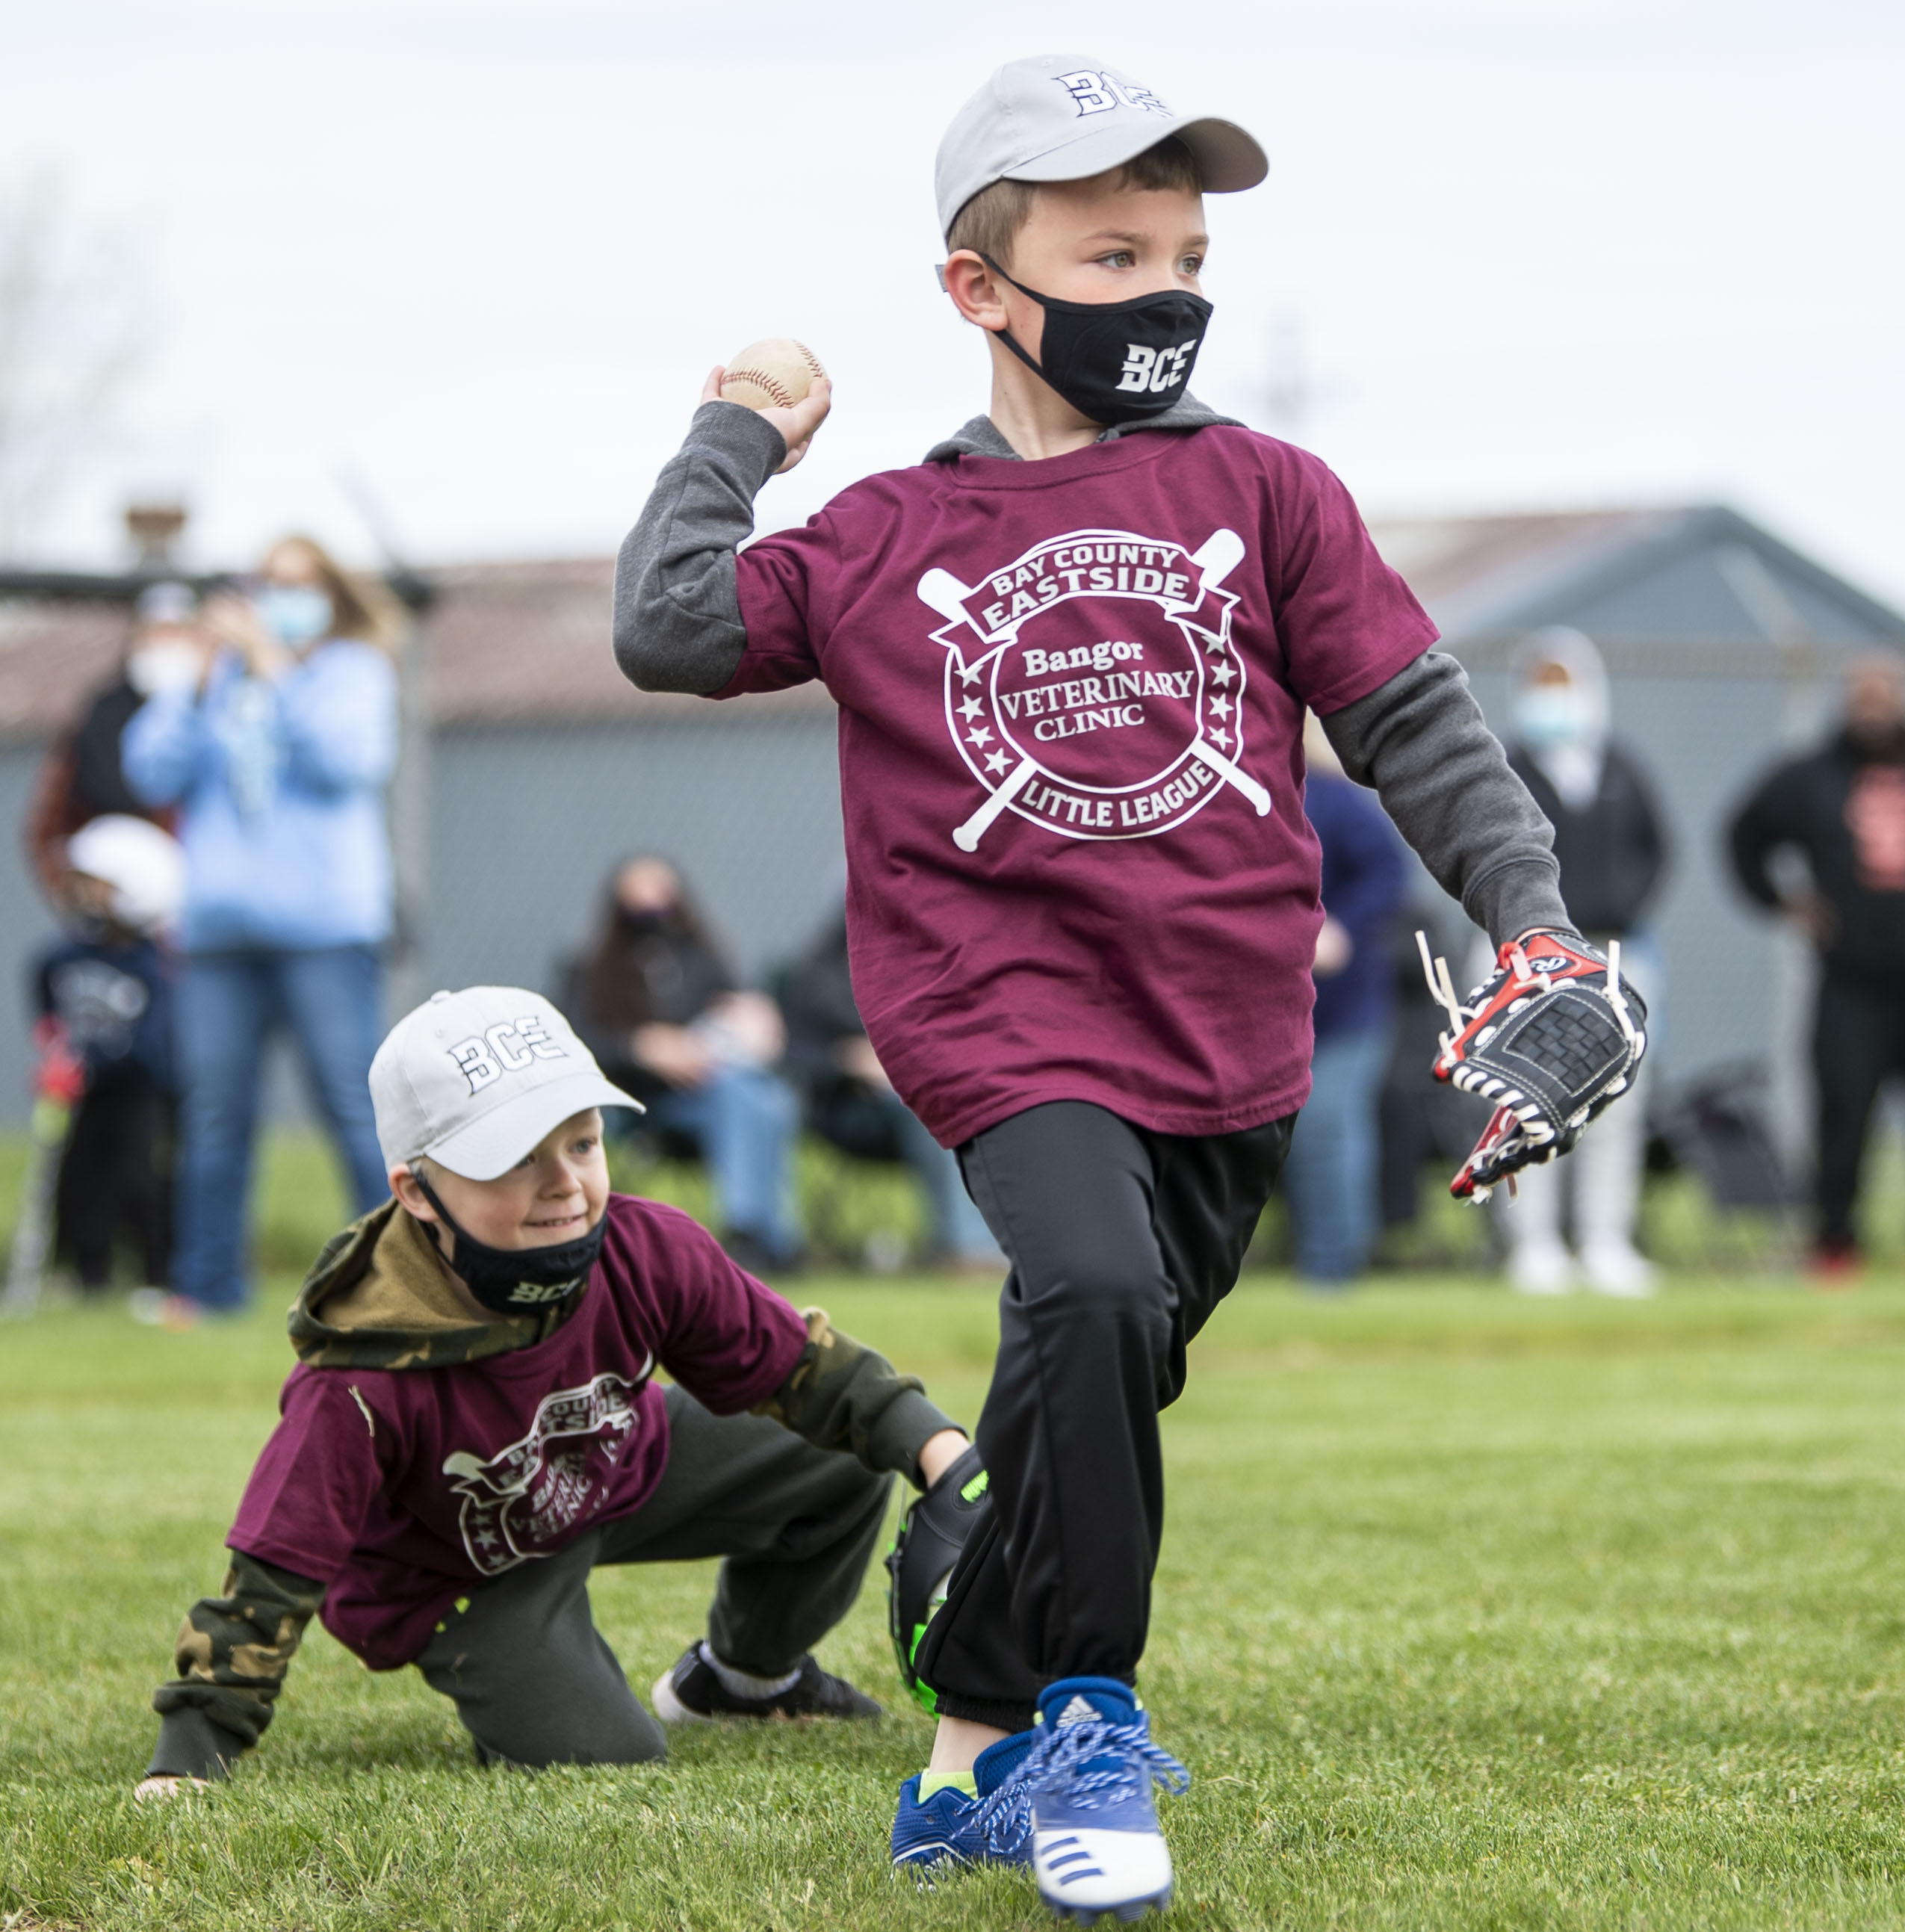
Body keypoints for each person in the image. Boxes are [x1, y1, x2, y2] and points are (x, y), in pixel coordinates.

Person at [610, 54, 1612, 1918]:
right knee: (1080, 1287)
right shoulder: (887, 539)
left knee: (1105, 1365)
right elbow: (668, 624)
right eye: (1111, 250)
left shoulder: (1266, 488)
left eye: (1186, 250)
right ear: (979, 289)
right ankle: (1084, 1720)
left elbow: (1416, 723)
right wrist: (738, 425)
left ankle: (964, 1726)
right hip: (996, 1014)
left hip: (1229, 1028)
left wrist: (1531, 917)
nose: (1162, 288)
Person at [132, 988, 970, 1795]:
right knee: (607, 1759)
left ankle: (743, 1680)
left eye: (581, 1143)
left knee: (843, 1454)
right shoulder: (363, 1367)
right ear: (417, 1191)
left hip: (609, 1471)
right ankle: (521, 1673)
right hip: (463, 1574)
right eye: (514, 1159)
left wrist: (947, 1455)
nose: (564, 1183)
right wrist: (192, 1750)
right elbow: (275, 1565)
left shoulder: (646, 1249)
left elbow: (801, 1367)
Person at [123, 536, 400, 1319]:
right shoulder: (220, 677)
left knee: (353, 1109)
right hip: (218, 936)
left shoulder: (353, 671)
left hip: (325, 929)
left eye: (300, 584)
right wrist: (196, 681)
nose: (283, 598)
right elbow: (151, 770)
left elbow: (345, 762)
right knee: (213, 1116)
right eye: (270, 585)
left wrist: (279, 666)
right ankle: (207, 1287)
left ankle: (396, 1281)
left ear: (331, 592)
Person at [1727, 653, 1905, 1284]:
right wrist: (1786, 902)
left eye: (1885, 692)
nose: (1874, 704)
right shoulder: (1808, 778)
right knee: (1843, 1112)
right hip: (1851, 982)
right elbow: (1742, 837)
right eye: (1862, 693)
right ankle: (1834, 1242)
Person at [1496, 628, 1668, 1296]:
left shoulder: (1620, 767)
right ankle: (1533, 1244)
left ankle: (1605, 1240)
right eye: (1540, 686)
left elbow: (1657, 848)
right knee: (1532, 1099)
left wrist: (1621, 902)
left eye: (1562, 686)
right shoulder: (1505, 766)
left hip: (1613, 950)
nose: (1552, 700)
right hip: (1529, 952)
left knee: (1614, 1102)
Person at [560, 855, 805, 1275]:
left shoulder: (701, 960)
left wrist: (749, 1020)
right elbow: (574, 1039)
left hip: (708, 1090)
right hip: (638, 1101)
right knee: (745, 1096)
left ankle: (771, 1235)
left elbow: (732, 1011)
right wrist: (641, 1046)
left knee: (769, 1098)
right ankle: (755, 1232)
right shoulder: (590, 968)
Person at [775, 902, 1006, 1270]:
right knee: (933, 1108)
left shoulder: (931, 966)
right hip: (850, 1110)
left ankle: (1011, 1243)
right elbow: (791, 1058)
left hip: (934, 1089)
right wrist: (846, 1060)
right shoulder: (816, 977)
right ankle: (968, 1249)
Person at [27, 816, 184, 1298]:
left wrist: (91, 1061)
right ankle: (85, 1275)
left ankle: (157, 1275)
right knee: (78, 1179)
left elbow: (153, 1045)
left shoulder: (153, 966)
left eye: (94, 885)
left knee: (140, 1178)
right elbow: (47, 1002)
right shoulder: (63, 956)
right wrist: (55, 1049)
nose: (81, 895)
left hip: (139, 1092)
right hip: (82, 1092)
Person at [1278, 715, 1408, 1288]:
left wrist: (1342, 929)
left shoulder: (1333, 801)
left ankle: (1334, 1265)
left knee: (1329, 1128)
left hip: (1345, 1013)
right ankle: (1314, 1255)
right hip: (1277, 1017)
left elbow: (1389, 873)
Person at [23, 581, 194, 903]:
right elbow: (48, 828)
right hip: (117, 919)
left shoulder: (223, 714)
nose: (166, 646)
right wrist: (82, 897)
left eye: (177, 634)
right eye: (156, 634)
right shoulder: (97, 718)